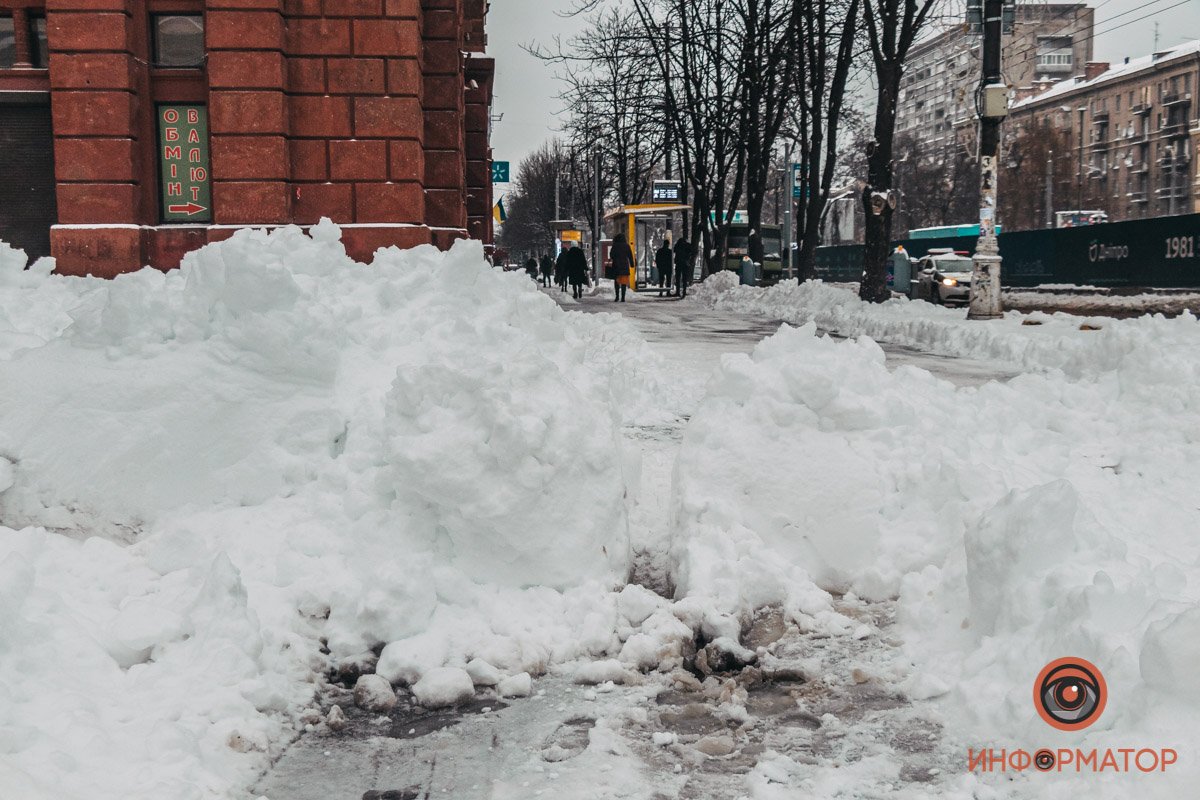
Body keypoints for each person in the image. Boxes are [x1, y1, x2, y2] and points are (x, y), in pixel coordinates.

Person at [608, 233, 633, 303]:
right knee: (624, 282)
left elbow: (611, 255)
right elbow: (630, 256)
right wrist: (632, 264)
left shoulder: (615, 246)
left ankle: (617, 296)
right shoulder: (627, 246)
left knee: (617, 282)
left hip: (616, 266)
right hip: (624, 266)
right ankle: (623, 297)